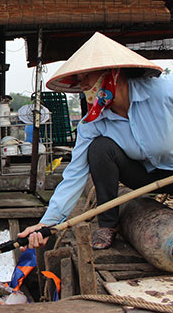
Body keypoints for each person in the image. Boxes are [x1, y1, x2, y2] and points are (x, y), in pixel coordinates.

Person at [19, 32, 173, 250]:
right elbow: (74, 174)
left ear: (112, 75)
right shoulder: (92, 123)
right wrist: (47, 223)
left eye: (87, 79)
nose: (82, 87)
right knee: (100, 148)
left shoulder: (164, 92)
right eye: (79, 81)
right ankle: (109, 224)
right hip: (143, 176)